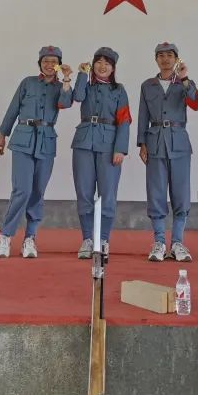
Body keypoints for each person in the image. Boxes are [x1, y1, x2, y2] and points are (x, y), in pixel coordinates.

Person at [0, 46, 74, 258]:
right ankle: (6, 235)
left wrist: (67, 79)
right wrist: (3, 135)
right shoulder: (28, 82)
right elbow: (13, 109)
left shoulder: (62, 87)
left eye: (53, 61)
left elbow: (65, 103)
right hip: (23, 139)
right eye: (45, 61)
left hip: (46, 141)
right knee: (22, 190)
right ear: (40, 63)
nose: (49, 64)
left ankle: (30, 238)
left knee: (38, 191)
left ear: (58, 65)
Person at [137, 42, 198, 262]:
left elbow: (196, 102)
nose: (165, 59)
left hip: (179, 142)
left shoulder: (184, 83)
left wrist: (185, 79)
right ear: (156, 59)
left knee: (181, 193)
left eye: (169, 55)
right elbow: (143, 115)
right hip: (155, 141)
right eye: (161, 56)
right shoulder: (148, 85)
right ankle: (158, 241)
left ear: (176, 59)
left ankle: (177, 242)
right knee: (156, 192)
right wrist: (142, 143)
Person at [71, 47, 131, 258]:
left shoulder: (119, 90)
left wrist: (120, 149)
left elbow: (124, 121)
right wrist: (81, 74)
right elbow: (77, 97)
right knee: (84, 193)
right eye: (98, 62)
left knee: (108, 194)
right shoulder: (86, 86)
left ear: (113, 68)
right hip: (84, 143)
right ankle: (88, 239)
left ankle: (103, 239)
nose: (102, 66)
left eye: (107, 63)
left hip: (109, 145)